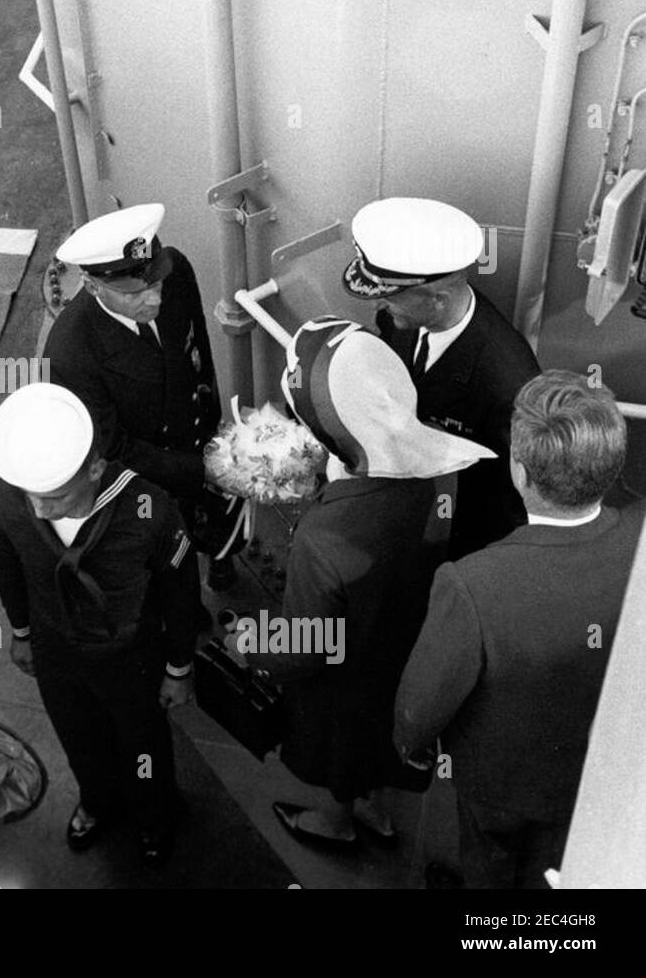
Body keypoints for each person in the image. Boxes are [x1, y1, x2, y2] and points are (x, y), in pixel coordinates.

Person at [247, 319, 493, 848]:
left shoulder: (326, 535)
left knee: (343, 744)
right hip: (405, 653)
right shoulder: (440, 470)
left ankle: (335, 824)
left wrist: (251, 647)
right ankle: (377, 813)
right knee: (381, 739)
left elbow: (307, 648)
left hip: (344, 677)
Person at [395, 371, 643, 889]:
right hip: (594, 775)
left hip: (499, 785)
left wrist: (412, 748)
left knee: (488, 871)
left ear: (521, 474)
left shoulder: (472, 584)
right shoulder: (639, 539)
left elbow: (421, 705)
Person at [0, 382, 201, 867]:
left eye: (55, 496)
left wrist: (179, 668)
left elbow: (180, 592)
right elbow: (7, 565)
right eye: (31, 496)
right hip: (55, 647)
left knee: (142, 744)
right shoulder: (4, 492)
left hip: (132, 657)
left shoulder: (150, 509)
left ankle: (154, 815)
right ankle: (98, 800)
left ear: (96, 469)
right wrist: (19, 632)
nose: (38, 509)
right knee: (77, 734)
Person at [45, 203, 242, 591]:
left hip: (196, 432)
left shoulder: (177, 270)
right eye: (135, 292)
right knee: (167, 554)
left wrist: (215, 434)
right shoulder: (70, 353)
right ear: (92, 286)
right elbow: (112, 446)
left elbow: (195, 350)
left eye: (155, 283)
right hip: (148, 473)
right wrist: (200, 470)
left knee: (219, 520)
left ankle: (221, 555)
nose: (153, 300)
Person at [342, 197, 540, 559]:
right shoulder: (402, 317)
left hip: (461, 535)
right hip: (407, 509)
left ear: (437, 299)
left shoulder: (509, 382)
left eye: (389, 298)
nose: (378, 307)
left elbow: (512, 502)